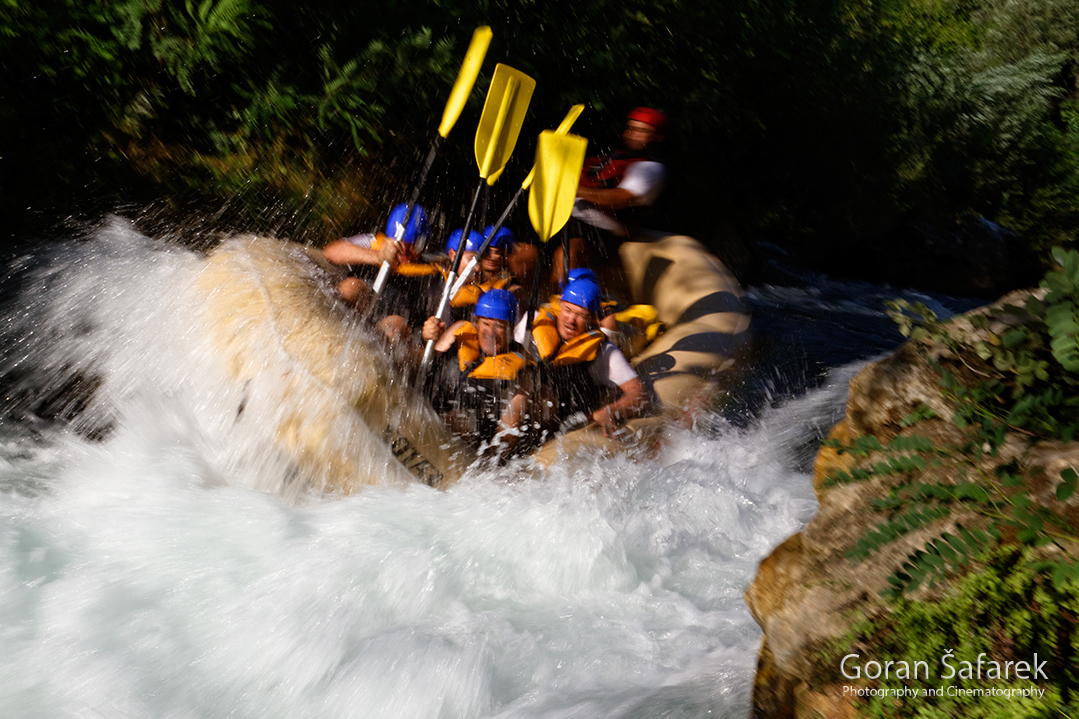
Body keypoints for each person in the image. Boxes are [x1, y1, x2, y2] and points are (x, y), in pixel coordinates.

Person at [522, 278, 649, 437]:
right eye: (568, 310)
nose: (571, 321)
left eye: (581, 315)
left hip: (564, 422)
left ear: (592, 320)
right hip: (526, 416)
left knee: (543, 395)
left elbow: (639, 395)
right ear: (559, 306)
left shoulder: (604, 352)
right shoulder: (532, 327)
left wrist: (610, 411)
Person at [421, 288, 533, 458]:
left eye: (500, 326)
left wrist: (491, 460)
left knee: (454, 418)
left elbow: (509, 429)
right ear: (476, 322)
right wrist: (428, 336)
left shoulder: (522, 370)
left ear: (511, 329)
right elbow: (427, 362)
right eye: (486, 324)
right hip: (431, 417)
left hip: (474, 440)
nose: (491, 333)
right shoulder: (461, 331)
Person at [322, 203, 441, 342]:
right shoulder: (375, 244)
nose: (403, 252)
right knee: (352, 287)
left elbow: (434, 320)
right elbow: (331, 252)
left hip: (390, 327)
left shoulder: (429, 276)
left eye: (413, 247)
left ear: (423, 246)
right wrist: (378, 256)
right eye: (400, 243)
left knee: (396, 326)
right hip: (362, 306)